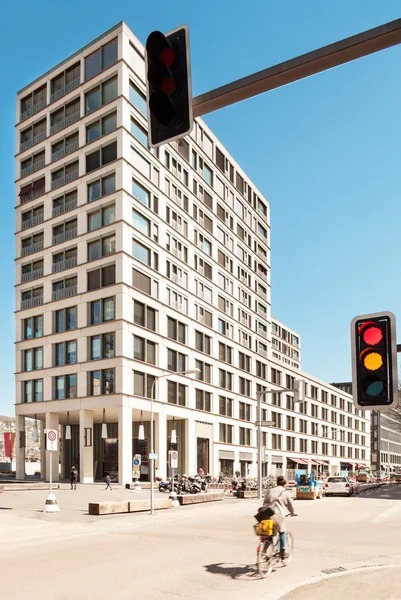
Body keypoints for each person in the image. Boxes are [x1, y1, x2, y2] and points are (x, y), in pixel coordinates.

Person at [258, 476, 296, 560]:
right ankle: (282, 551)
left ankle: (263, 551)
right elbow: (290, 506)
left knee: (269, 533)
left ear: (277, 482)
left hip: (267, 514)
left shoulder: (270, 490)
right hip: (278, 515)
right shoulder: (285, 492)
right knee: (282, 531)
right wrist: (292, 513)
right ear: (285, 484)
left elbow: (264, 502)